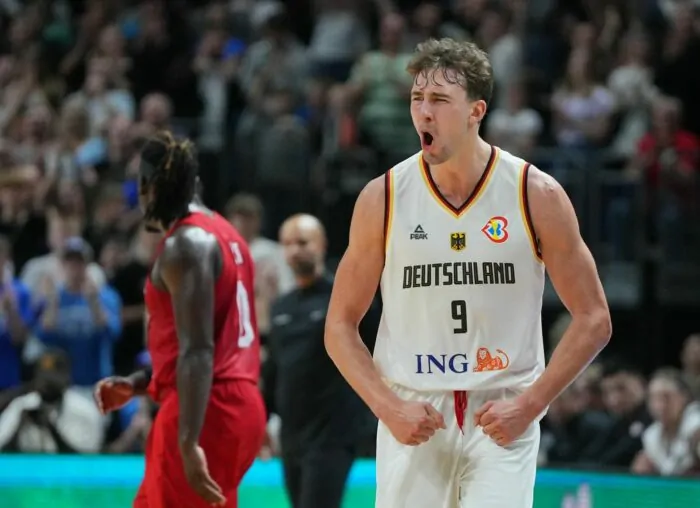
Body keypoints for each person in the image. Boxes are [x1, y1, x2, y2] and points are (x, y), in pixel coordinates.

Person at [324, 38, 612, 508]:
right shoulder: (384, 197)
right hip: (414, 409)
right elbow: (339, 325)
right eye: (417, 98)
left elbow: (594, 318)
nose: (424, 112)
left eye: (439, 99)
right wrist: (388, 408)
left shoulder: (534, 193)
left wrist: (531, 404)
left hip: (502, 411)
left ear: (477, 110)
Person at [93, 131, 266, 508]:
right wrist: (140, 384)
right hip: (237, 404)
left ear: (147, 187)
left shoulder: (185, 244)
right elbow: (212, 338)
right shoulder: (228, 235)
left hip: (205, 411)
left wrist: (188, 441)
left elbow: (199, 350)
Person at [264, 214, 379, 508]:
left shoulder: (344, 300)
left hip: (333, 434)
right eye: (287, 243)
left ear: (321, 244)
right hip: (291, 434)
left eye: (302, 242)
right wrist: (263, 419)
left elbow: (375, 354)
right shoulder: (281, 306)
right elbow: (274, 369)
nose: (294, 250)